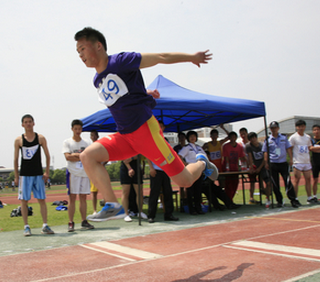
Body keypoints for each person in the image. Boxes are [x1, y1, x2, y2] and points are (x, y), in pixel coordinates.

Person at [74, 27, 218, 222]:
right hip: (125, 136)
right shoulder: (97, 79)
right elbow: (123, 97)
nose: (80, 54)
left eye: (82, 48)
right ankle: (112, 205)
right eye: (78, 51)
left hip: (145, 132)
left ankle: (202, 162)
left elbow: (160, 56)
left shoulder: (121, 61)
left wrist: (191, 57)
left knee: (183, 180)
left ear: (98, 46)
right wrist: (146, 93)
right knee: (87, 156)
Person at [14, 114, 54, 236]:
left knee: (41, 199)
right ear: (22, 124)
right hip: (25, 175)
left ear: (34, 123)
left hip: (38, 174)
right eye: (26, 122)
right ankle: (26, 227)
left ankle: (45, 225)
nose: (28, 124)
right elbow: (15, 159)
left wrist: (47, 171)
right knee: (24, 201)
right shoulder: (18, 140)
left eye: (30, 121)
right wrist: (16, 176)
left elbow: (47, 155)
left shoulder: (40, 138)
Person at [62, 119, 95, 231]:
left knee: (83, 197)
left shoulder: (87, 142)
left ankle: (84, 221)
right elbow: (67, 157)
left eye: (79, 129)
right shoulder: (67, 142)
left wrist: (75, 155)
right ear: (72, 129)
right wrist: (80, 155)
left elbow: (89, 156)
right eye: (75, 129)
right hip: (73, 173)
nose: (77, 131)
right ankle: (71, 222)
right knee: (72, 198)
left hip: (84, 173)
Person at [262, 121, 300, 208]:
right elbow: (265, 152)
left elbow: (288, 148)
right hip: (273, 163)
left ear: (278, 128)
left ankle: (293, 200)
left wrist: (291, 159)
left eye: (275, 127)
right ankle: (279, 201)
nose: (274, 129)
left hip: (283, 162)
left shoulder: (283, 137)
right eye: (272, 128)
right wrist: (266, 162)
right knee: (275, 184)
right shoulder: (268, 140)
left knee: (287, 182)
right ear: (270, 129)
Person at [147, 121, 178, 223]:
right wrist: (151, 168)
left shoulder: (166, 141)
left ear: (164, 128)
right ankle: (151, 215)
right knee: (154, 194)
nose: (160, 128)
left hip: (165, 170)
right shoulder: (152, 139)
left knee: (168, 193)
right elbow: (148, 155)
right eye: (158, 126)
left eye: (162, 126)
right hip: (156, 170)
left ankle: (169, 214)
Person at [179, 131, 208, 215]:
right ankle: (191, 209)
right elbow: (179, 156)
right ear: (188, 138)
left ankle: (199, 208)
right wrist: (186, 164)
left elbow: (205, 156)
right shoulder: (187, 147)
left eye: (194, 136)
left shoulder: (199, 147)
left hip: (199, 171)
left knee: (198, 191)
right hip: (190, 171)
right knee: (190, 191)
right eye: (191, 136)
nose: (192, 138)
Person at [289, 120, 315, 204]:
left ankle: (309, 198)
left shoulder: (307, 137)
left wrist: (319, 148)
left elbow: (309, 147)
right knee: (296, 180)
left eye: (302, 126)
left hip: (306, 161)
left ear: (305, 127)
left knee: (308, 179)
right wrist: (291, 158)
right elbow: (290, 148)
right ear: (296, 127)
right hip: (298, 162)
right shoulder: (293, 137)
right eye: (299, 126)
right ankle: (295, 198)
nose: (301, 128)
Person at [245, 132, 271, 207]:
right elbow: (250, 157)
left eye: (254, 138)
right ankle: (251, 197)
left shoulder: (262, 145)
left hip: (263, 166)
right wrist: (251, 167)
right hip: (255, 166)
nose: (253, 140)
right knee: (252, 181)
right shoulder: (248, 146)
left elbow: (264, 158)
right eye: (251, 139)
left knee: (268, 182)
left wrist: (260, 168)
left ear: (256, 137)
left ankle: (268, 198)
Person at [120, 155, 148, 222]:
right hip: (125, 169)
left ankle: (140, 212)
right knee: (126, 193)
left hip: (137, 168)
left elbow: (140, 154)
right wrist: (129, 168)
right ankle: (126, 214)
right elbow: (124, 159)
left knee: (139, 192)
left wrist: (132, 158)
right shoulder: (123, 145)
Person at [222, 131, 246, 200]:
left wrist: (248, 164)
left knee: (235, 183)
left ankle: (231, 198)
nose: (233, 138)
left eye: (234, 137)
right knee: (228, 184)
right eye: (231, 137)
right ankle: (228, 199)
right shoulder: (226, 146)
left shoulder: (239, 146)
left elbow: (242, 157)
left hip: (235, 168)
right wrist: (227, 169)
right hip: (227, 169)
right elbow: (226, 158)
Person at [89, 130, 100, 214]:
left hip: (100, 170)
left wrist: (102, 164)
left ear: (97, 136)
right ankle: (94, 210)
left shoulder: (101, 145)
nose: (93, 137)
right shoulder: (89, 147)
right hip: (93, 171)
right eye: (92, 135)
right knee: (94, 192)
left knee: (105, 190)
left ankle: (107, 208)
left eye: (94, 135)